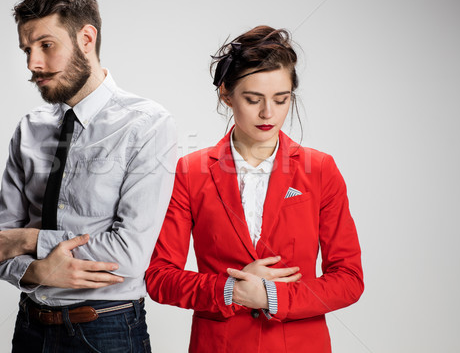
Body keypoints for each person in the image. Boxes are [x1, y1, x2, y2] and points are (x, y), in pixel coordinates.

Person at [0, 0, 176, 352]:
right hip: (30, 328)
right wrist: (36, 271)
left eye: (46, 46)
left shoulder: (147, 124)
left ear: (87, 39)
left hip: (108, 330)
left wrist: (31, 240)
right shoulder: (31, 128)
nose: (33, 64)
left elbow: (130, 255)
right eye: (27, 50)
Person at [145, 26, 364, 352]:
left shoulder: (320, 169)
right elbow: (160, 278)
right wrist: (229, 290)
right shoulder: (191, 171)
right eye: (253, 99)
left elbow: (348, 279)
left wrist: (272, 296)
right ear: (226, 94)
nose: (268, 114)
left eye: (281, 99)